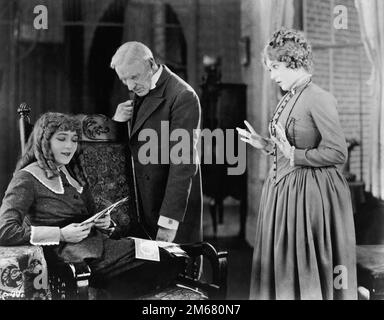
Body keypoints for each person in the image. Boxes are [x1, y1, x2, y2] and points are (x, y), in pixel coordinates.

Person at [0, 112, 184, 299]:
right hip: (73, 260)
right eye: (61, 139)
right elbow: (4, 230)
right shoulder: (26, 178)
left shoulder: (71, 173)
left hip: (102, 249)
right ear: (44, 141)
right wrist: (61, 233)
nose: (69, 146)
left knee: (172, 256)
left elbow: (86, 218)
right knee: (166, 261)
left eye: (74, 140)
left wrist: (104, 224)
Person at [237, 28, 357, 299]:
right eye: (270, 69)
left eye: (276, 67)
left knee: (303, 265)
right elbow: (287, 147)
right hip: (283, 193)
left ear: (294, 62)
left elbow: (338, 152)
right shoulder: (289, 96)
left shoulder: (319, 98)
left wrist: (296, 156)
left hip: (308, 195)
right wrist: (264, 144)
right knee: (283, 265)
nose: (273, 75)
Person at [110, 41, 202, 244]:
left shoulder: (183, 96)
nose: (130, 86)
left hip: (167, 208)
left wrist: (169, 223)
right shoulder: (141, 89)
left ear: (151, 64)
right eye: (124, 80)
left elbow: (183, 163)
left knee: (177, 272)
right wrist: (117, 123)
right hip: (141, 207)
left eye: (134, 77)